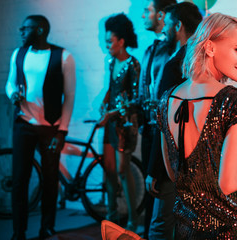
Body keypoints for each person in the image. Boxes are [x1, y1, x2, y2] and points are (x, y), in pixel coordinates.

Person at [157, 13, 237, 239]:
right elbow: (228, 184)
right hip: (235, 227)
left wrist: (231, 155)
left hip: (189, 227)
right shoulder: (235, 100)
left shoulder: (166, 100)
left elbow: (176, 172)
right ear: (210, 47)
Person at [5, 15, 76, 240]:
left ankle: (47, 226)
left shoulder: (63, 57)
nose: (21, 32)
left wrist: (62, 131)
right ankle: (19, 232)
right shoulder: (18, 54)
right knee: (19, 181)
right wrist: (12, 93)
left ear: (39, 30)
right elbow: (9, 82)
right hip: (24, 125)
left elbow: (70, 96)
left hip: (50, 128)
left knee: (50, 180)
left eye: (25, 29)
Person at [145, 2, 202, 240]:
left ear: (178, 25)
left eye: (167, 24)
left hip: (174, 157)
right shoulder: (200, 61)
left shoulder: (176, 63)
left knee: (160, 225)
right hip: (198, 154)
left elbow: (166, 123)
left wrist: (153, 169)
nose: (165, 29)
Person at [99, 13, 140, 232]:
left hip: (124, 124)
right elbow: (111, 87)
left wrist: (111, 113)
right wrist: (104, 102)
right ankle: (112, 215)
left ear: (121, 41)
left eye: (109, 42)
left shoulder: (133, 64)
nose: (107, 46)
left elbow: (135, 100)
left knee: (123, 171)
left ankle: (133, 220)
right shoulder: (111, 61)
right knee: (109, 169)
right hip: (110, 121)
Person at [138, 0, 176, 238]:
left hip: (167, 130)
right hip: (150, 129)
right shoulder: (151, 49)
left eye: (147, 10)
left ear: (162, 15)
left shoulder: (175, 50)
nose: (143, 15)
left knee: (162, 190)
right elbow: (145, 89)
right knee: (150, 187)